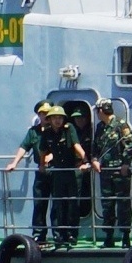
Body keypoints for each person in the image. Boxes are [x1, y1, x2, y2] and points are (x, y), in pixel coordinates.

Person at [37, 105, 88, 249]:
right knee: (58, 204)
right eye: (54, 118)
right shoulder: (47, 133)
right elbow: (42, 150)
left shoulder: (69, 129)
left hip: (72, 171)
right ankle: (58, 235)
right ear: (50, 120)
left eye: (60, 118)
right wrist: (42, 165)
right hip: (58, 172)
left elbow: (76, 145)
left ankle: (72, 234)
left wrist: (86, 160)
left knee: (73, 203)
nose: (57, 121)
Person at [3, 102, 53, 244]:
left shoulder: (57, 131)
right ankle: (39, 234)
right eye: (43, 114)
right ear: (39, 115)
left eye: (48, 114)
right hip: (41, 171)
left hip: (57, 171)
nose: (46, 117)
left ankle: (58, 234)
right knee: (39, 204)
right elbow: (24, 147)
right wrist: (14, 163)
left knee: (58, 205)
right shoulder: (33, 132)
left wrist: (52, 156)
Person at [91, 99, 132, 247]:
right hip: (105, 172)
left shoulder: (120, 124)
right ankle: (109, 236)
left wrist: (125, 163)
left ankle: (125, 236)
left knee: (123, 204)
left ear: (101, 111)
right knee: (107, 204)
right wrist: (94, 160)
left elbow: (131, 144)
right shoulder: (100, 127)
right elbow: (95, 147)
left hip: (119, 172)